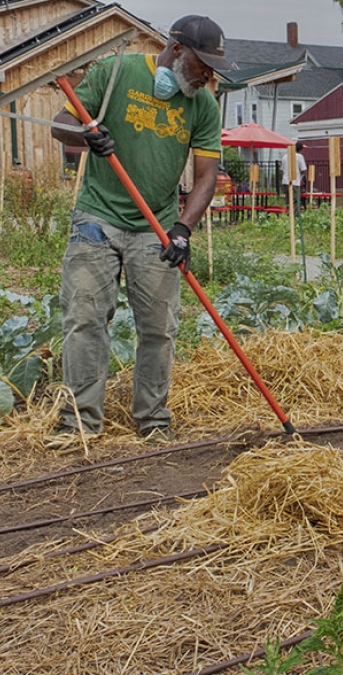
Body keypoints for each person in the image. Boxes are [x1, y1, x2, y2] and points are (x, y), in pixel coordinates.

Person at [47, 15, 230, 449]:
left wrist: (183, 228)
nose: (207, 75)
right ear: (178, 49)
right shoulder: (116, 73)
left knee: (159, 327)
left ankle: (153, 420)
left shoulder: (202, 105)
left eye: (212, 68)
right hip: (97, 218)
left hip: (157, 227)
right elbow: (60, 123)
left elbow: (206, 176)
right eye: (203, 64)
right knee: (86, 320)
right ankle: (80, 424)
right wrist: (86, 134)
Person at [289, 141, 307, 214]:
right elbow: (303, 169)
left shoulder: (286, 156)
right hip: (295, 181)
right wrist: (301, 177)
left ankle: (287, 215)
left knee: (288, 200)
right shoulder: (299, 157)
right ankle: (295, 216)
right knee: (296, 200)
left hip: (285, 181)